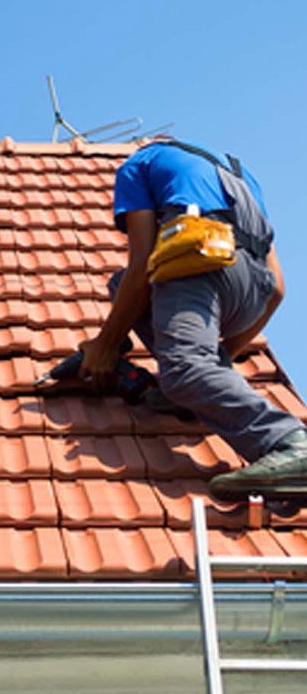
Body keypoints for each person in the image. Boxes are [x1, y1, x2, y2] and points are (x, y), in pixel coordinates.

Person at [78, 137, 307, 499]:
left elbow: (140, 266)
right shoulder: (239, 172)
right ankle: (196, 387)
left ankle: (290, 444)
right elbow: (277, 289)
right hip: (252, 292)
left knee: (182, 367)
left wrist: (106, 346)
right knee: (123, 287)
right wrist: (221, 356)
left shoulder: (138, 165)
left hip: (200, 263)